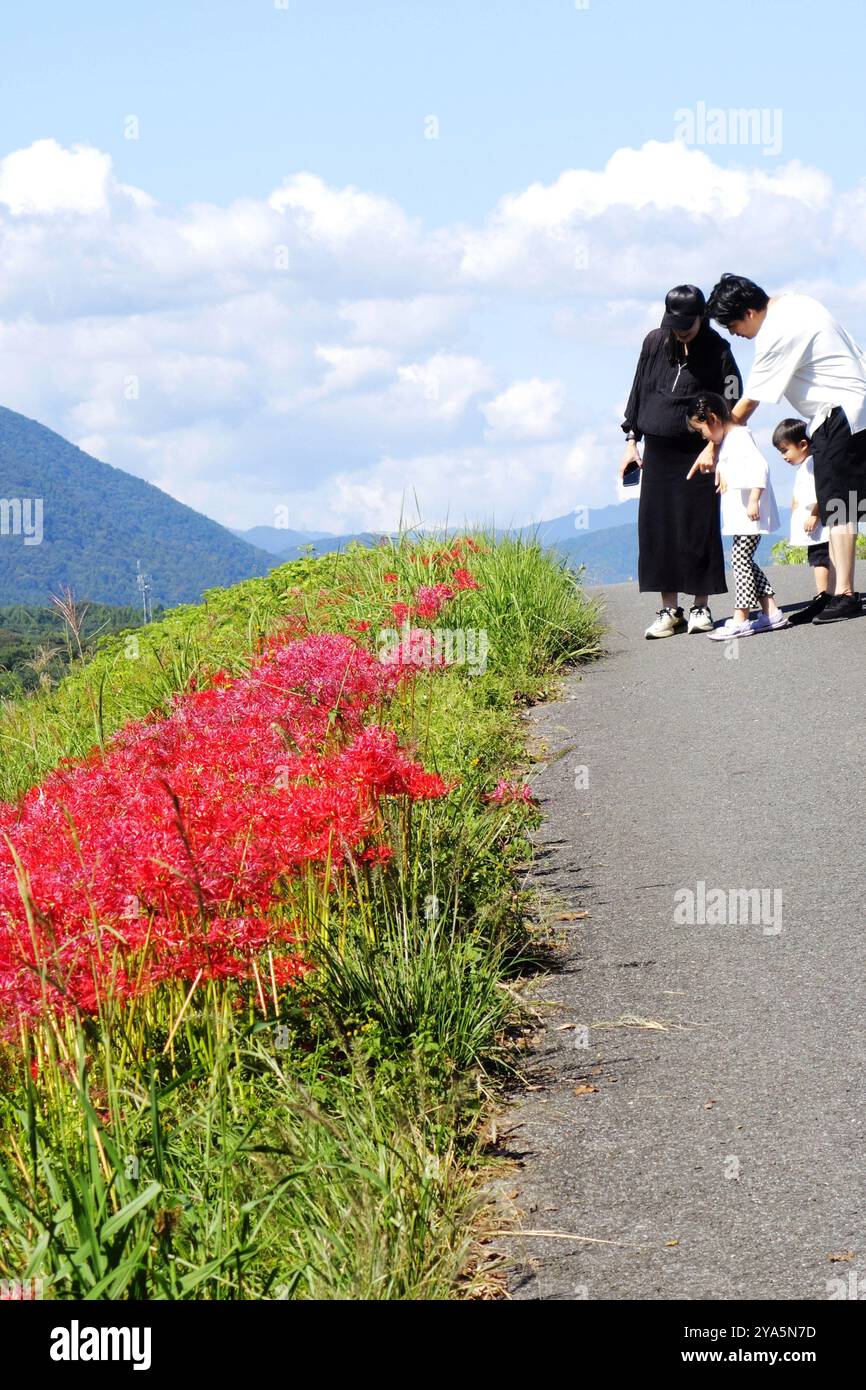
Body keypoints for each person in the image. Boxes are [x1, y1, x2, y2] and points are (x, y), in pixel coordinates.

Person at [695, 274, 866, 624]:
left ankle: (845, 595)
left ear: (749, 311)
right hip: (847, 410)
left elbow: (746, 406)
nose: (734, 334)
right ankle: (835, 594)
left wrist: (715, 441)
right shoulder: (798, 302)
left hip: (840, 413)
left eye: (732, 324)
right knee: (841, 505)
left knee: (840, 507)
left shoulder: (776, 329)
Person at [620, 284, 742, 639]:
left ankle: (700, 606)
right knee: (657, 528)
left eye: (687, 324)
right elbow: (638, 389)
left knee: (697, 524)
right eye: (675, 323)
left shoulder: (719, 349)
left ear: (702, 317)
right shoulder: (655, 341)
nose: (680, 330)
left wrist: (715, 446)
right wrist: (631, 440)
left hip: (698, 449)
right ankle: (669, 610)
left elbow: (732, 399)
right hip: (657, 448)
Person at [686, 392, 787, 640]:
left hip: (749, 515)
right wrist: (721, 468)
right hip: (743, 515)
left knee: (740, 561)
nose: (704, 438)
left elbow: (760, 467)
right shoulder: (732, 438)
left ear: (712, 419)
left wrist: (754, 500)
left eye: (702, 431)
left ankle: (741, 617)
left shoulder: (739, 437)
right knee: (745, 561)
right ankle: (771, 611)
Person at [773, 418, 835, 625]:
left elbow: (821, 491)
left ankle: (824, 594)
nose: (784, 457)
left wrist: (815, 513)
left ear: (802, 445)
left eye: (785, 450)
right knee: (817, 558)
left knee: (821, 559)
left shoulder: (812, 464)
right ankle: (824, 594)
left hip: (817, 525)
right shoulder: (805, 466)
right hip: (811, 526)